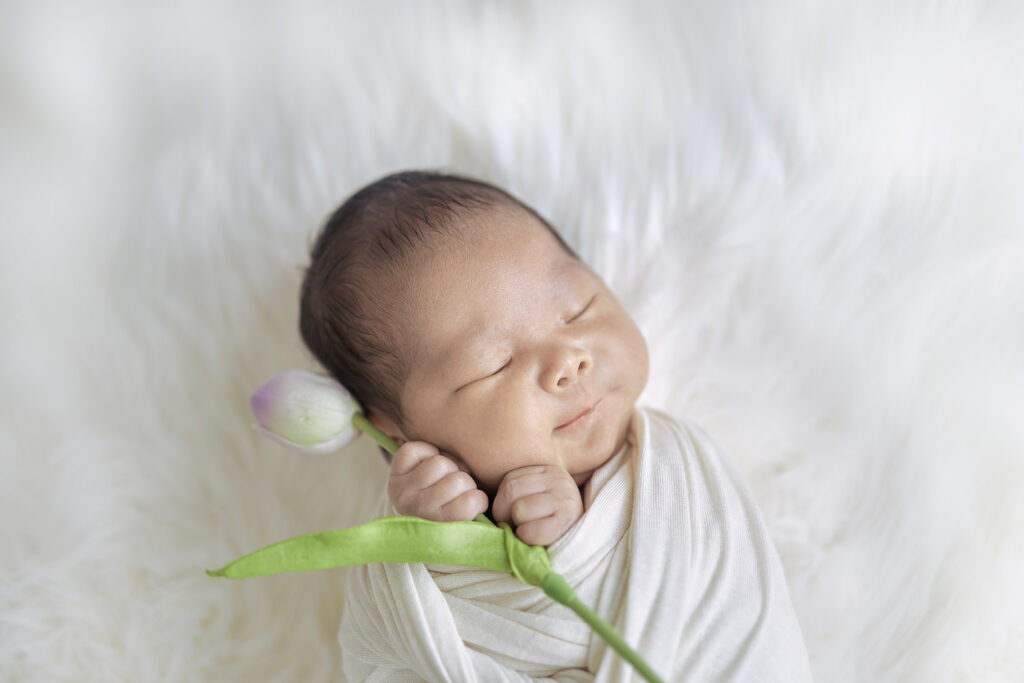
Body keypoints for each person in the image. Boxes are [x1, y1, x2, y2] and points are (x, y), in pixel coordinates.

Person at [299, 171, 813, 681]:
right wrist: (437, 546)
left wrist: (574, 540)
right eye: (493, 365)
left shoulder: (679, 471)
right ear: (398, 431)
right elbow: (405, 647)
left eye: (576, 310)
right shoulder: (422, 525)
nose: (567, 360)